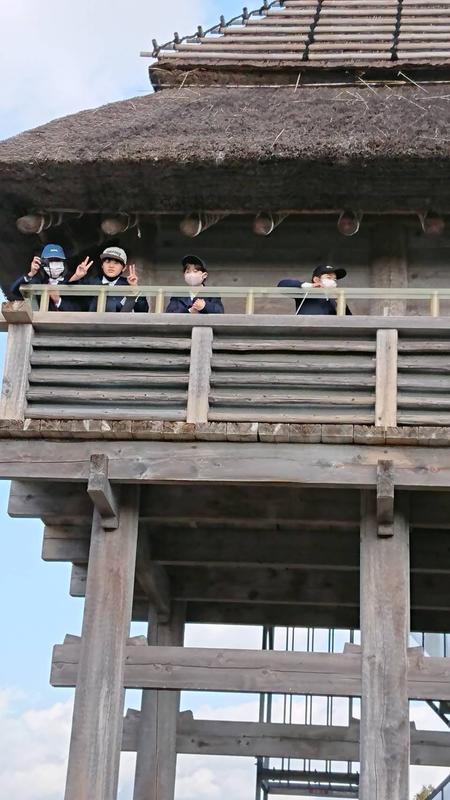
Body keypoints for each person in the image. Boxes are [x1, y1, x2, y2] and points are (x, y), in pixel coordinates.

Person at [8, 243, 88, 311]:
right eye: (50, 261)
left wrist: (58, 301)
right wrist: (31, 274)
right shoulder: (39, 282)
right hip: (41, 323)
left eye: (57, 261)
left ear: (63, 263)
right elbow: (14, 290)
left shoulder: (72, 281)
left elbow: (80, 308)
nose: (54, 264)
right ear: (43, 264)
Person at [70, 246, 149, 312]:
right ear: (102, 265)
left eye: (116, 263)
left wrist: (135, 288)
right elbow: (68, 300)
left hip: (118, 325)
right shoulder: (90, 282)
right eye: (107, 261)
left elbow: (143, 311)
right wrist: (76, 276)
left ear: (124, 268)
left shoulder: (129, 285)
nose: (111, 266)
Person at [278, 265, 352, 315]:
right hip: (305, 331)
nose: (332, 281)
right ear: (316, 279)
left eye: (334, 279)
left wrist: (340, 301)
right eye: (329, 278)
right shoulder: (307, 292)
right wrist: (309, 286)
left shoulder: (334, 299)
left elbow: (348, 320)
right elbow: (282, 285)